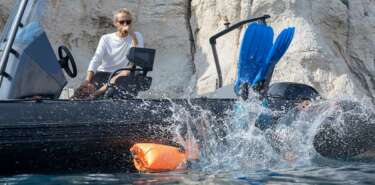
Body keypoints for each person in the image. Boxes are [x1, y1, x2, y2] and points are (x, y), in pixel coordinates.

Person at [78, 8, 144, 99]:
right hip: (103, 73)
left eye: (128, 22)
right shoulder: (106, 38)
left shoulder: (137, 36)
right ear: (115, 23)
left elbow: (137, 56)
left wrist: (132, 35)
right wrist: (87, 80)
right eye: (122, 22)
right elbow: (96, 60)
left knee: (119, 77)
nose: (125, 24)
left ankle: (94, 95)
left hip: (122, 74)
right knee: (83, 90)